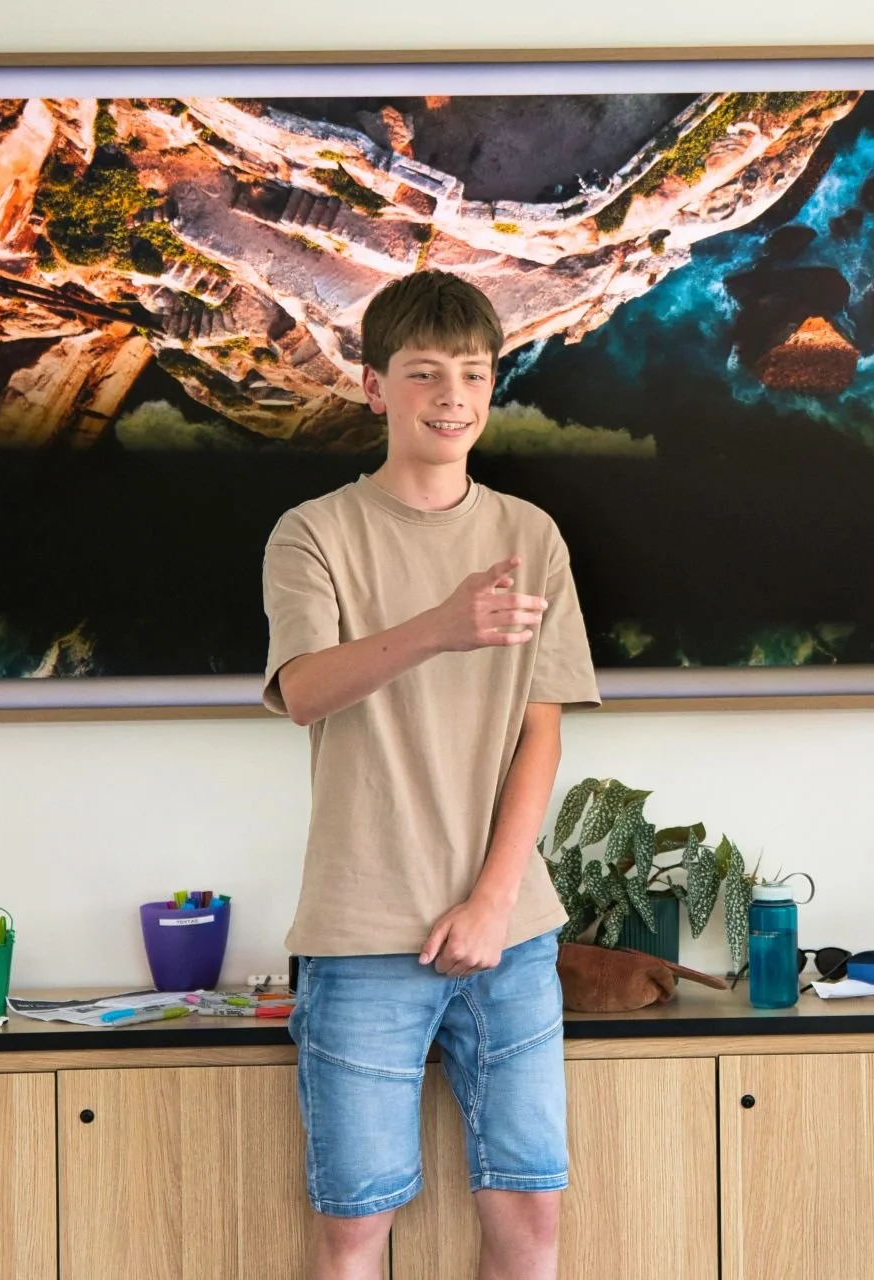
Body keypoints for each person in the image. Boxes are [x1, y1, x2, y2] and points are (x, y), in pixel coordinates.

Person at [262, 269, 600, 1280]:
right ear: (375, 388)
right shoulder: (313, 531)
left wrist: (496, 901)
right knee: (356, 1229)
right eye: (424, 373)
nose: (452, 394)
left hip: (513, 935)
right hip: (361, 936)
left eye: (472, 372)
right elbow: (306, 688)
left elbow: (541, 729)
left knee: (530, 1223)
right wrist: (443, 627)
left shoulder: (530, 536)